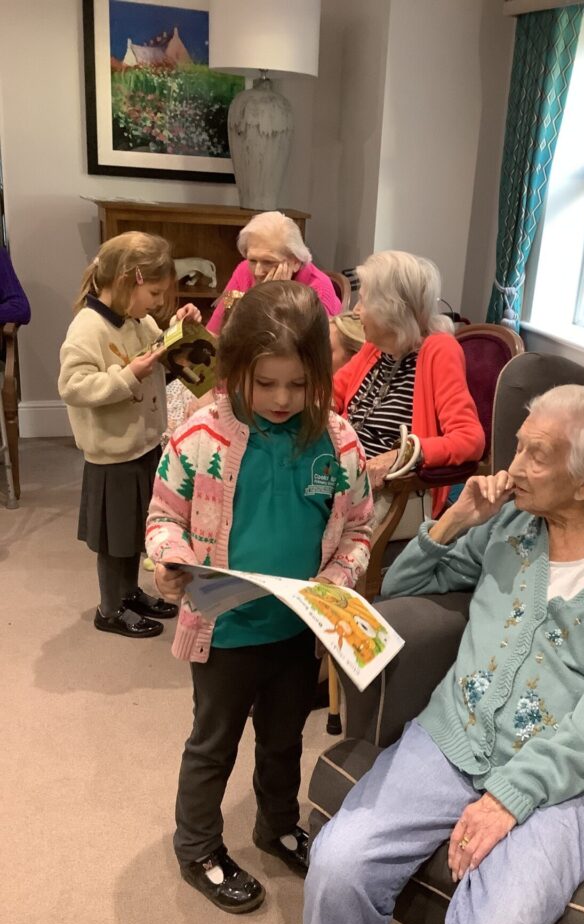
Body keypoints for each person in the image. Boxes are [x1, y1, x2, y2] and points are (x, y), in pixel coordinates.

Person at [299, 384, 584, 924]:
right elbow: (403, 587)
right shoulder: (510, 522)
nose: (514, 467)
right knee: (338, 862)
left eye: (537, 455)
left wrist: (510, 796)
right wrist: (456, 521)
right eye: (517, 447)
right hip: (458, 734)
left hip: (572, 778)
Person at [145, 280, 374, 914]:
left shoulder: (338, 443)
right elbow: (163, 516)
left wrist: (336, 583)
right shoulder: (199, 437)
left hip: (297, 630)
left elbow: (359, 528)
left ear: (319, 376)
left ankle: (276, 825)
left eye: (298, 385)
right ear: (235, 369)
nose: (280, 398)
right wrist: (171, 559)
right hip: (224, 632)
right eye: (265, 382)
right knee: (212, 744)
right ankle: (197, 847)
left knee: (283, 739)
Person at [58, 231, 200, 639]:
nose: (158, 302)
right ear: (128, 279)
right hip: (112, 456)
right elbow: (72, 386)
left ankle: (129, 591)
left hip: (143, 444)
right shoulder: (88, 328)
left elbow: (158, 353)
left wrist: (179, 329)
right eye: (154, 293)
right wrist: (127, 376)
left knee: (134, 531)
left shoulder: (140, 321)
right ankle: (109, 608)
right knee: (113, 540)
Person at [333, 250, 484, 524]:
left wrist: (401, 456)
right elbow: (332, 393)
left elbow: (469, 439)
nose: (356, 311)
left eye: (363, 301)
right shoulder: (376, 347)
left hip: (392, 494)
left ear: (389, 309)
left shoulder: (439, 350)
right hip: (344, 475)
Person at [206, 211, 341, 336]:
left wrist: (271, 298)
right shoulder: (244, 270)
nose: (258, 271)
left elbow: (309, 350)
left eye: (268, 262)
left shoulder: (318, 289)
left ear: (295, 261)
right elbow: (215, 332)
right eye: (252, 260)